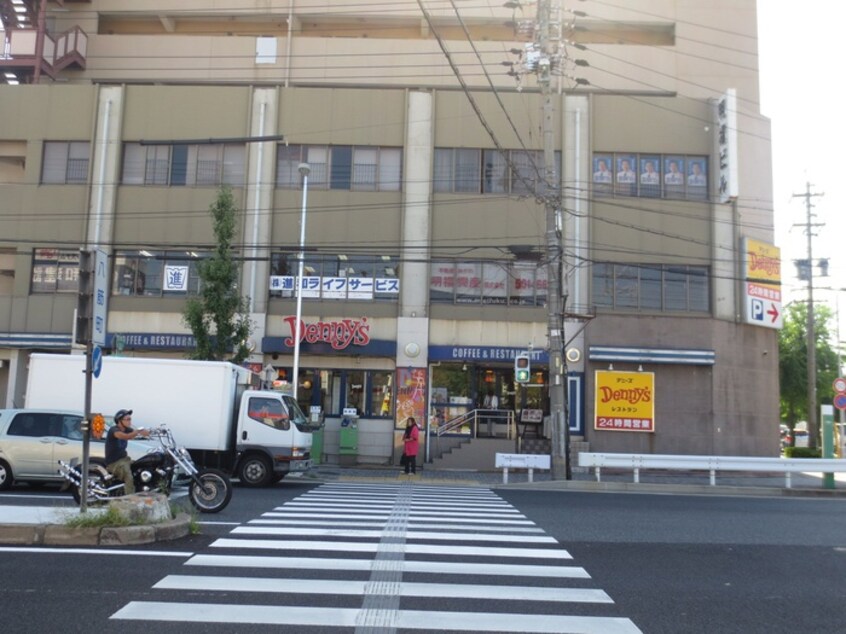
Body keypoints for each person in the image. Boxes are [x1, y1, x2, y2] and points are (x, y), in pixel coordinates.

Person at [105, 409, 149, 495]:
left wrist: (150, 432)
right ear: (120, 421)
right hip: (114, 463)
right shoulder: (114, 430)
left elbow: (135, 432)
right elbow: (126, 436)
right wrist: (137, 432)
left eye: (130, 419)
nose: (130, 421)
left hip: (125, 459)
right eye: (127, 419)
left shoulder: (126, 429)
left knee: (142, 466)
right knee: (129, 477)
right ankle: (130, 499)